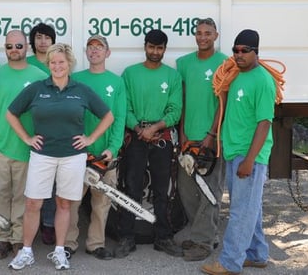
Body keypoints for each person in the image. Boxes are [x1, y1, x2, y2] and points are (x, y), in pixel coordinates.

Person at [6, 43, 114, 271]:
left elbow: (108, 116)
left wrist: (90, 139)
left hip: (72, 156)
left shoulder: (81, 90)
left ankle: (59, 251)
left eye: (61, 62)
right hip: (42, 155)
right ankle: (26, 251)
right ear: (49, 65)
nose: (57, 66)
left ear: (69, 64)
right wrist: (27, 138)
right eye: (53, 62)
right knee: (33, 203)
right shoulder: (37, 88)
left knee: (64, 204)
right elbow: (11, 113)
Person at [201, 29, 276, 275]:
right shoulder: (236, 77)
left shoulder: (263, 80)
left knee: (240, 210)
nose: (239, 55)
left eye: (245, 50)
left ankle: (230, 262)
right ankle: (256, 254)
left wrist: (250, 160)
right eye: (236, 50)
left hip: (248, 155)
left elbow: (264, 123)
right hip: (234, 152)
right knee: (248, 207)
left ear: (256, 52)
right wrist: (214, 138)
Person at [0, 30, 47, 260]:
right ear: (4, 48)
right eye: (9, 47)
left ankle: (18, 238)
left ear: (26, 47)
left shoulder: (39, 75)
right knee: (0, 194)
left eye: (18, 46)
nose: (14, 50)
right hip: (0, 143)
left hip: (27, 145)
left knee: (22, 195)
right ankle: (1, 237)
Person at [114, 29, 183, 258]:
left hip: (161, 137)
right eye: (151, 47)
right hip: (136, 136)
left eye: (160, 48)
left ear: (164, 49)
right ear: (145, 47)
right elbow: (125, 107)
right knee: (131, 187)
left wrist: (154, 128)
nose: (155, 52)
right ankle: (127, 237)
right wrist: (138, 129)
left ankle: (163, 237)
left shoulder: (172, 77)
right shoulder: (130, 74)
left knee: (162, 190)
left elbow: (175, 110)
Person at [65, 35, 126, 260]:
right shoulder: (75, 79)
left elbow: (118, 119)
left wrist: (113, 148)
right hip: (77, 153)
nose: (94, 51)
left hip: (104, 154)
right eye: (90, 47)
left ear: (107, 53)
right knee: (72, 201)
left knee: (101, 202)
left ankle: (95, 243)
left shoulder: (117, 82)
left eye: (99, 47)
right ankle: (69, 243)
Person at [175, 18, 228, 261]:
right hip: (188, 138)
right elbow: (183, 99)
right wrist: (183, 131)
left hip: (212, 139)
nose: (203, 37)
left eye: (208, 33)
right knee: (187, 191)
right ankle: (204, 233)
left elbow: (223, 102)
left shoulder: (224, 63)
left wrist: (212, 134)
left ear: (216, 35)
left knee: (209, 191)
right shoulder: (184, 64)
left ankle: (203, 243)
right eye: (199, 33)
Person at [26, 22, 58, 245]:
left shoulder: (57, 64)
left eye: (47, 37)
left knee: (51, 184)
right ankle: (23, 227)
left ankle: (48, 224)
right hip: (26, 131)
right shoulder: (24, 64)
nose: (43, 41)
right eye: (38, 37)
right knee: (27, 183)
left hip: (52, 134)